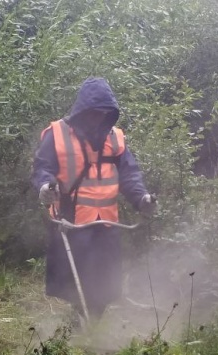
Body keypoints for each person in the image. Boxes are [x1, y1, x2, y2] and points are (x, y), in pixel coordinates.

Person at [32, 77, 158, 318]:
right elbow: (42, 167)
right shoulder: (57, 134)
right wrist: (45, 186)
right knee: (75, 279)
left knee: (105, 279)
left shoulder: (115, 138)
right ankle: (79, 321)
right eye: (93, 113)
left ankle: (93, 320)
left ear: (110, 114)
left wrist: (142, 198)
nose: (98, 118)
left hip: (107, 222)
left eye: (103, 114)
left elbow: (129, 174)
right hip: (71, 219)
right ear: (83, 111)